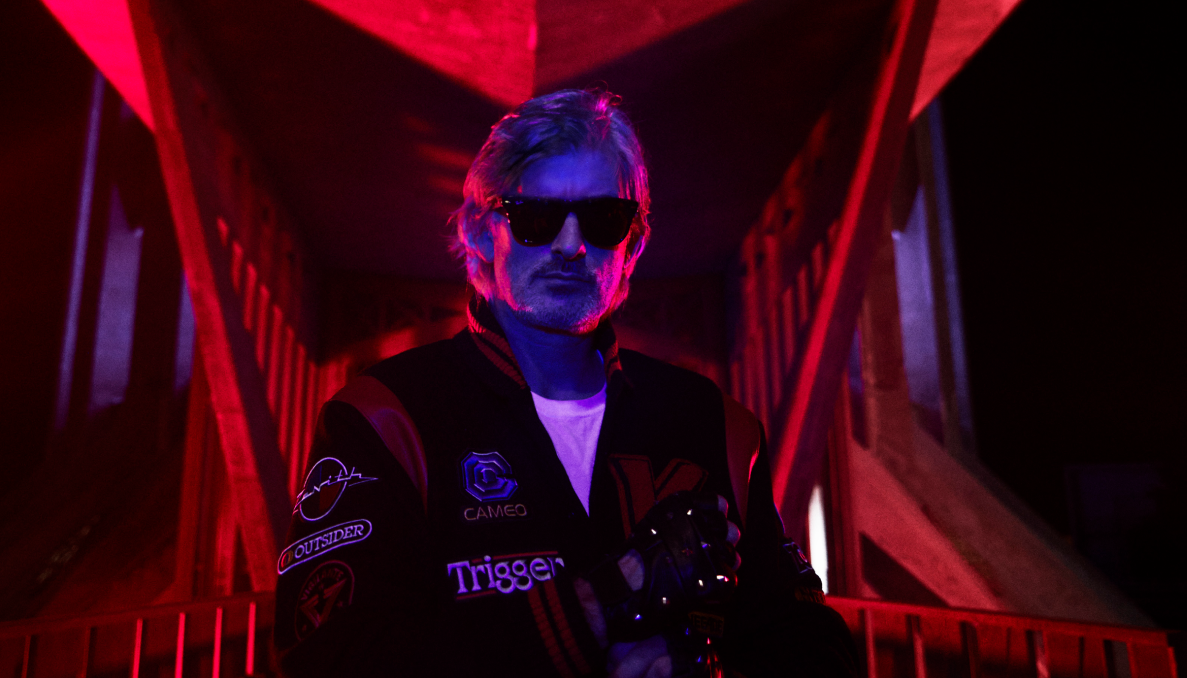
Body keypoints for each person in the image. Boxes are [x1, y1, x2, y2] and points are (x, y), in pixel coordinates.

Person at [274, 90, 857, 677]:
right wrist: (600, 605)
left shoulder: (711, 424)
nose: (571, 245)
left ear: (633, 244)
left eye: (604, 220)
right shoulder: (386, 419)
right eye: (535, 218)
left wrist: (704, 669)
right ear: (481, 232)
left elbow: (817, 648)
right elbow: (328, 659)